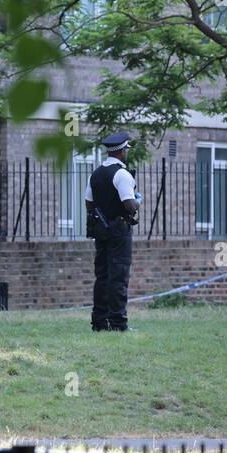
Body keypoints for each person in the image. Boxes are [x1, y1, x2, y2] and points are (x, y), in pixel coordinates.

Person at [85, 132, 141, 331]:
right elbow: (129, 205)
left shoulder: (96, 173)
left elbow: (89, 204)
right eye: (126, 149)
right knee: (118, 275)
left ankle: (99, 321)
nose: (127, 152)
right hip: (119, 230)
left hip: (101, 230)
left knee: (102, 276)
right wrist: (137, 201)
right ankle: (118, 323)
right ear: (122, 151)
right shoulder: (122, 174)